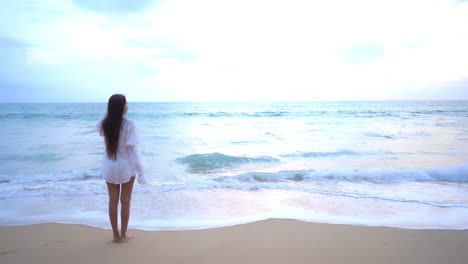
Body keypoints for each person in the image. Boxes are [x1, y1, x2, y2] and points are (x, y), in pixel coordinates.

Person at [97, 94, 147, 243]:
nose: (128, 106)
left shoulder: (102, 124)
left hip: (109, 166)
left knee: (113, 201)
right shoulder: (130, 124)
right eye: (126, 103)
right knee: (125, 201)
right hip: (126, 167)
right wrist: (141, 172)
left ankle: (115, 235)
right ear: (121, 106)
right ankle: (123, 236)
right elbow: (133, 150)